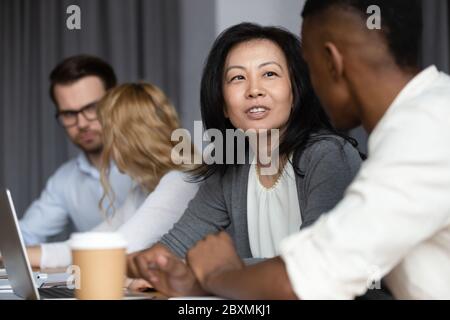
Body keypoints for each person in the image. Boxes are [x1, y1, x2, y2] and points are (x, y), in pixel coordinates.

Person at [183, 0, 450, 299]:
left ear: (331, 62)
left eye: (307, 68)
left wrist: (218, 274)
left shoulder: (421, 134)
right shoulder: (428, 116)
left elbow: (305, 281)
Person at [128, 22, 363, 297]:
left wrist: (213, 273)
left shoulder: (327, 155)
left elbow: (314, 267)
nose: (254, 90)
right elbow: (172, 248)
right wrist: (146, 268)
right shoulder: (231, 165)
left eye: (270, 74)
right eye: (237, 78)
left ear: (296, 91)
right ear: (224, 105)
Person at [27, 83, 200, 274]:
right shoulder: (141, 191)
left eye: (110, 135)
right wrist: (20, 254)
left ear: (128, 140)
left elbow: (114, 251)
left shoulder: (180, 182)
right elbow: (95, 242)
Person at [20, 55, 133, 246]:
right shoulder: (64, 180)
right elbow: (25, 235)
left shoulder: (150, 162)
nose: (81, 124)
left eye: (92, 108)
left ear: (115, 101)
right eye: (69, 114)